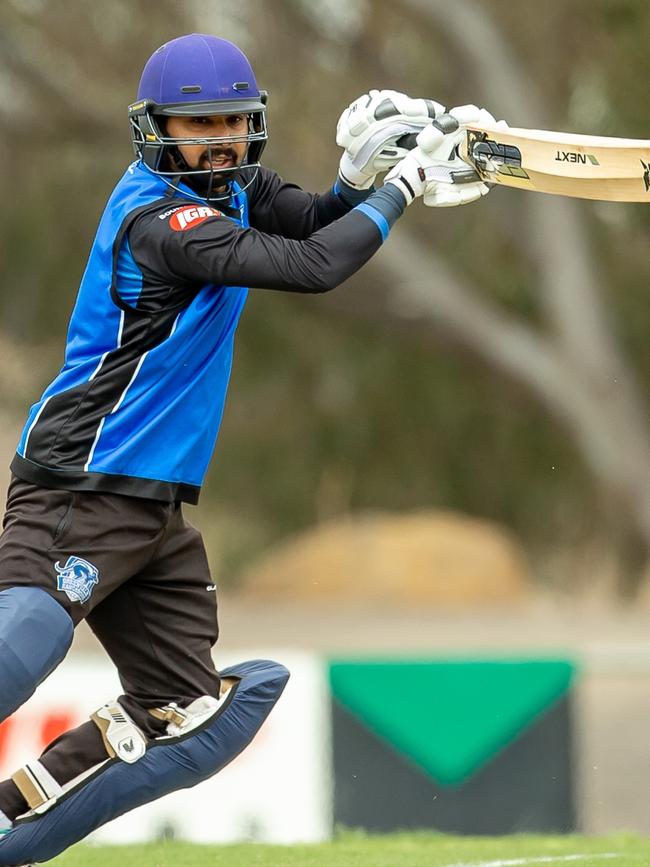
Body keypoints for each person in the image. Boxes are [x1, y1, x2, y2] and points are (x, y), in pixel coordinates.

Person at [0, 32, 497, 865]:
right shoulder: (159, 219)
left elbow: (312, 220)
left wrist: (363, 179)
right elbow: (313, 266)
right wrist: (407, 185)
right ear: (156, 128)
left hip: (152, 507)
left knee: (194, 713)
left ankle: (14, 824)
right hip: (79, 485)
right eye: (199, 125)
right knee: (22, 651)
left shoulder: (234, 188)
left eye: (234, 119)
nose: (221, 137)